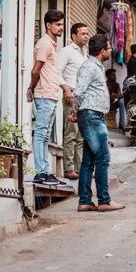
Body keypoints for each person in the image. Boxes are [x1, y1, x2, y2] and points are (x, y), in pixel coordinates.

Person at [69, 34, 125, 212]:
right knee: (103, 158)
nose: (111, 50)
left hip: (92, 116)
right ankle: (104, 200)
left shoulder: (95, 66)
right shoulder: (90, 66)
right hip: (91, 117)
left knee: (88, 161)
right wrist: (75, 110)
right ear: (102, 51)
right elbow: (78, 92)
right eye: (109, 47)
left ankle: (85, 201)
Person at [26, 10, 69, 186]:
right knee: (41, 134)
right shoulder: (44, 44)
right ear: (48, 25)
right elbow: (36, 70)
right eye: (58, 24)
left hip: (51, 94)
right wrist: (31, 87)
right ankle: (40, 173)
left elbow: (51, 72)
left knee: (45, 137)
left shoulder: (51, 45)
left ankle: (45, 172)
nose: (60, 28)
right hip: (43, 94)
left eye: (61, 24)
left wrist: (64, 87)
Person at [59, 23, 89, 180]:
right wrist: (66, 89)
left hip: (83, 97)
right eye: (83, 34)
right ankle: (69, 168)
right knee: (71, 132)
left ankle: (80, 167)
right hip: (71, 96)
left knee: (81, 135)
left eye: (87, 34)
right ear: (73, 36)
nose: (86, 36)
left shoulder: (84, 53)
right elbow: (56, 72)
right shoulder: (66, 52)